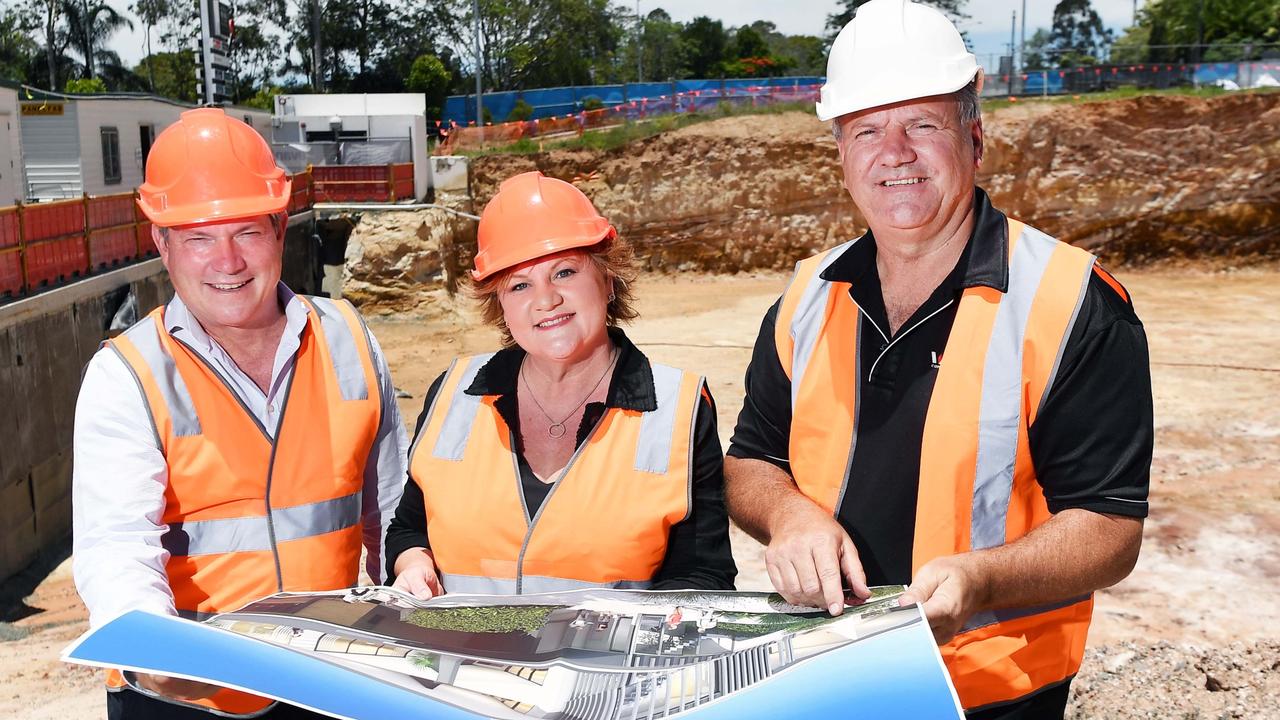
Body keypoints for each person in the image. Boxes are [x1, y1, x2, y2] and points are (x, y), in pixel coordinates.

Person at [723, 1, 1152, 717]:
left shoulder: (1074, 304)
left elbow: (1109, 529)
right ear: (840, 153)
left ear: (974, 138)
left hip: (992, 692)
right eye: (867, 130)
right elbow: (749, 462)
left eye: (922, 124)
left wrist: (979, 580)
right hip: (830, 670)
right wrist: (790, 517)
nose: (894, 152)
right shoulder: (809, 294)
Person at [72, 108, 408, 719]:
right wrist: (166, 659)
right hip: (184, 696)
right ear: (162, 243)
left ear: (280, 229)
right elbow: (116, 549)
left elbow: (389, 510)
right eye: (199, 236)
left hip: (331, 682)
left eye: (246, 232)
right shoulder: (127, 375)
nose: (226, 262)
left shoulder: (348, 339)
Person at [386, 171, 736, 598]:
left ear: (608, 280)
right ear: (500, 305)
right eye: (519, 285)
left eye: (565, 272)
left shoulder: (678, 409)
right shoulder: (452, 394)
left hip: (605, 664)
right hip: (465, 660)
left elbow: (701, 576)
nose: (546, 299)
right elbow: (408, 528)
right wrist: (413, 563)